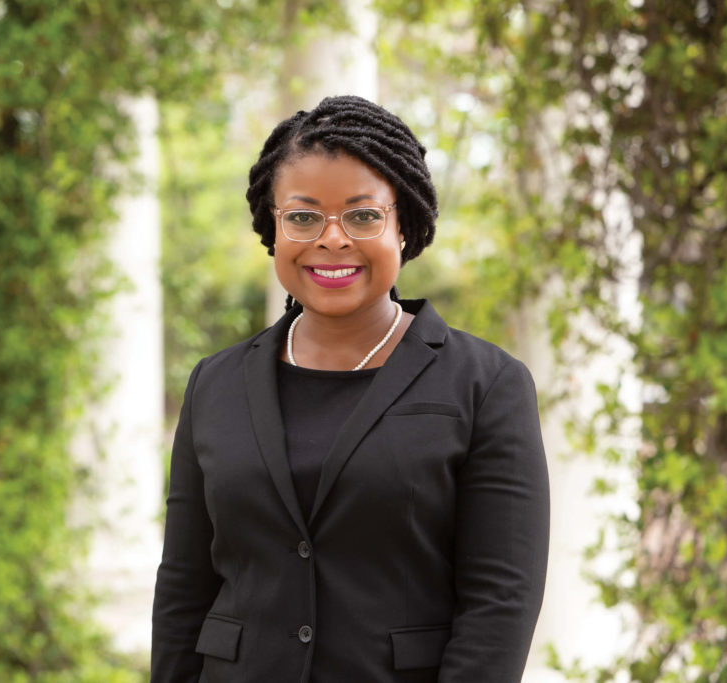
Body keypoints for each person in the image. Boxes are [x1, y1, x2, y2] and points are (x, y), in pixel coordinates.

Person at [151, 95, 549, 682]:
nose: (332, 240)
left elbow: (500, 604)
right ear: (273, 227)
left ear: (404, 225)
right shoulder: (215, 383)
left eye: (363, 216)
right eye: (303, 217)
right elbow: (184, 588)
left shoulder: (486, 385)